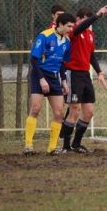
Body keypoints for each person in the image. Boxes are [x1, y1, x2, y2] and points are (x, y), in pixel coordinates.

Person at [60, 5, 107, 153]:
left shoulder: (90, 35)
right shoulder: (74, 32)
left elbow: (91, 55)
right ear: (78, 20)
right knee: (74, 110)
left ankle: (76, 144)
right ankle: (65, 147)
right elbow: (82, 26)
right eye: (85, 19)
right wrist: (98, 15)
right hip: (73, 73)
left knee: (88, 112)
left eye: (90, 20)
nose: (89, 23)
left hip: (85, 75)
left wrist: (99, 72)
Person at [24, 13, 76, 156]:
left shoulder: (67, 42)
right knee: (35, 109)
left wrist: (64, 81)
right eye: (68, 26)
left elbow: (62, 64)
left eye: (72, 26)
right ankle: (28, 145)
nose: (71, 29)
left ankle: (52, 148)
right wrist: (41, 79)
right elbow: (34, 60)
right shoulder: (44, 36)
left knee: (59, 113)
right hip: (39, 74)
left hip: (54, 78)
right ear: (60, 24)